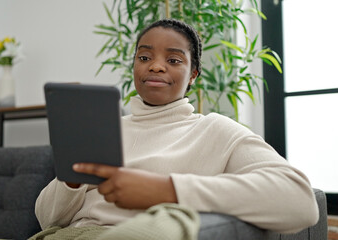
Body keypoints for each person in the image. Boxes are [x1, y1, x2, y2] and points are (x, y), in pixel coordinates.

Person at [33, 19, 318, 239]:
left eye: (173, 60)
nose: (156, 66)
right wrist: (71, 180)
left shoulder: (215, 130)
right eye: (144, 58)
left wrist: (167, 189)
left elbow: (301, 201)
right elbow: (46, 220)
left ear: (193, 74)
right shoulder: (105, 128)